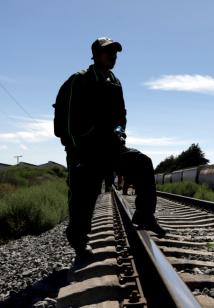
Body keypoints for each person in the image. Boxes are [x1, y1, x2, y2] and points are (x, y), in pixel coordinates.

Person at [53, 37, 166, 258]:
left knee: (142, 163)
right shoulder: (79, 80)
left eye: (115, 53)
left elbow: (121, 115)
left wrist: (120, 130)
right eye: (107, 52)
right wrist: (74, 148)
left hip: (111, 146)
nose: (112, 56)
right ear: (95, 55)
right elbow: (64, 120)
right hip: (84, 150)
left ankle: (144, 216)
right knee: (84, 197)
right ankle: (78, 241)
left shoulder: (115, 82)